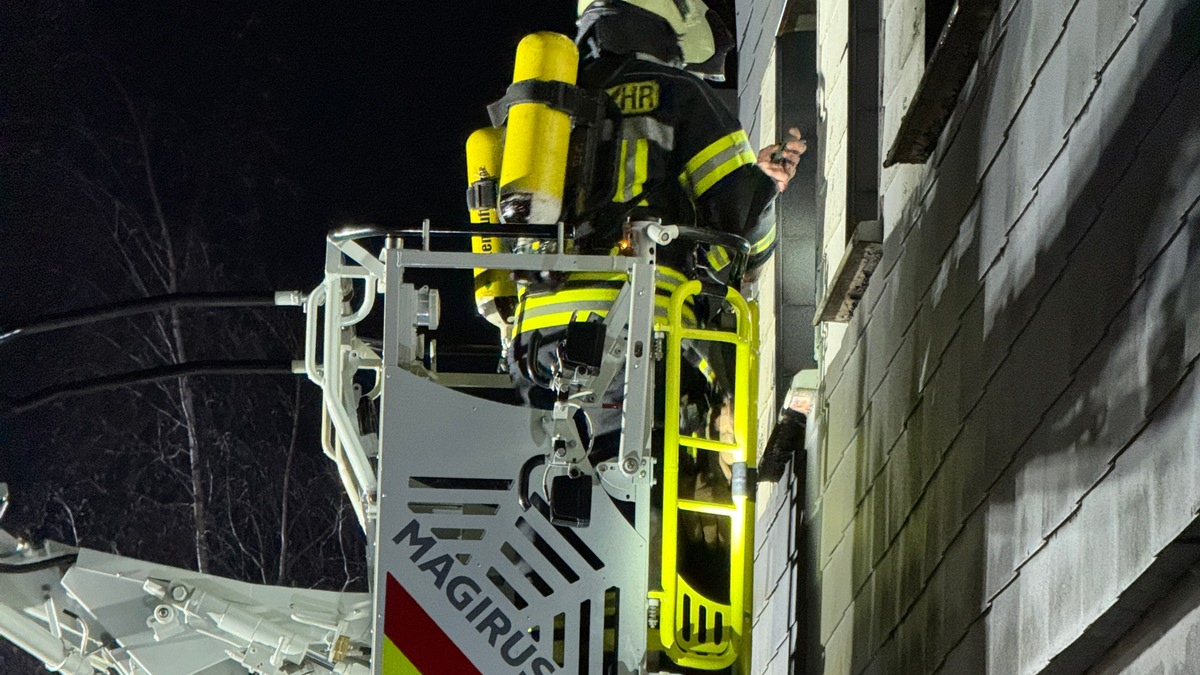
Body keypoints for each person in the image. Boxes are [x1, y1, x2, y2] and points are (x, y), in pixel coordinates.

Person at [506, 0, 806, 440]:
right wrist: (766, 187)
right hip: (642, 329)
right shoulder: (681, 92)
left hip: (537, 343)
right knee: (654, 491)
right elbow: (740, 231)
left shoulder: (540, 108)